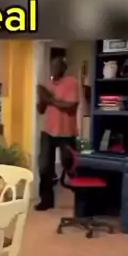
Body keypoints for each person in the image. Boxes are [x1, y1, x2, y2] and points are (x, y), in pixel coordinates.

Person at [36, 56, 79, 211]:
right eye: (51, 66)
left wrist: (50, 98)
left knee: (70, 166)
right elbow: (41, 110)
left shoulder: (71, 82)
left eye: (56, 66)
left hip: (67, 133)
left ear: (63, 68)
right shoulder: (48, 85)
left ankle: (82, 198)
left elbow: (70, 106)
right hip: (48, 131)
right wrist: (42, 98)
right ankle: (46, 200)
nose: (53, 69)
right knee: (44, 167)